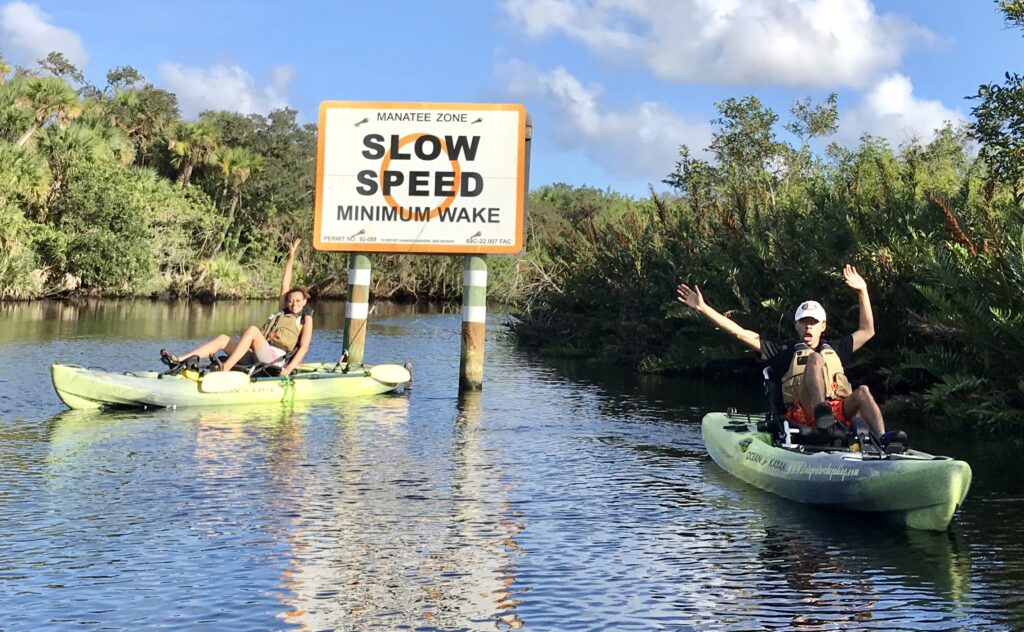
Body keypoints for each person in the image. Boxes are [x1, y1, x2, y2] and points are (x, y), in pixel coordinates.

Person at [676, 264, 895, 442]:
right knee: (815, 359)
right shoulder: (783, 351)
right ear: (796, 326)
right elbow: (741, 334)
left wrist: (863, 290)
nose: (808, 327)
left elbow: (867, 331)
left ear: (823, 326)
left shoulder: (837, 349)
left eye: (813, 323)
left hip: (838, 411)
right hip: (804, 413)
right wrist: (703, 308)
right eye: (803, 323)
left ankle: (883, 440)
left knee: (864, 391)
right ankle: (822, 414)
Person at [162, 238, 313, 377]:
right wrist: (291, 256)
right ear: (287, 302)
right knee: (222, 339)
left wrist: (287, 370)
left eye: (298, 301)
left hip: (275, 360)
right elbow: (285, 284)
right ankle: (180, 360)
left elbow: (303, 348)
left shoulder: (304, 319)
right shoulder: (283, 309)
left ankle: (226, 367)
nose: (294, 304)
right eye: (291, 301)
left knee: (253, 330)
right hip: (257, 354)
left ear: (304, 302)